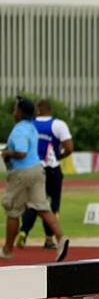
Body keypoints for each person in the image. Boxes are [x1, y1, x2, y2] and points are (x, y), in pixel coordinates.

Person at [2, 97, 68, 261]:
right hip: (37, 170)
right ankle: (61, 238)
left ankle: (8, 249)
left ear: (20, 112)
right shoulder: (31, 127)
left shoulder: (19, 130)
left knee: (13, 211)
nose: (13, 112)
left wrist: (6, 153)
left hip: (21, 173)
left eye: (15, 109)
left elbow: (21, 152)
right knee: (43, 208)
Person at [16, 100, 73, 250]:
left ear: (38, 110)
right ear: (49, 109)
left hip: (32, 167)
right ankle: (49, 239)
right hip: (52, 168)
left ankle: (24, 232)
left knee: (33, 203)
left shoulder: (29, 125)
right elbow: (69, 148)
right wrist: (58, 157)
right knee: (51, 204)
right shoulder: (58, 124)